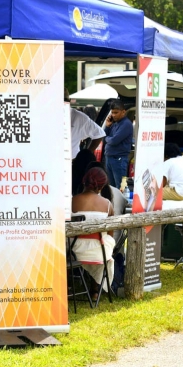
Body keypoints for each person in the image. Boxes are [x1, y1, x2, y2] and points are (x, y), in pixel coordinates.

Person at [71, 167, 116, 301]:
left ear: (84, 181)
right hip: (99, 252)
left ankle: (69, 286)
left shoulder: (72, 201)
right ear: (102, 185)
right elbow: (110, 233)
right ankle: (95, 290)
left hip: (73, 252)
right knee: (106, 241)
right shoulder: (107, 205)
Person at [102, 100, 134, 189]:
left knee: (120, 187)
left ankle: (120, 203)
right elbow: (103, 137)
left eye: (116, 112)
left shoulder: (126, 124)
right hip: (109, 158)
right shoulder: (114, 123)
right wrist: (107, 126)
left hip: (118, 159)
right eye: (112, 112)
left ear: (123, 112)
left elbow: (114, 141)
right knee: (111, 187)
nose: (114, 115)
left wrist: (107, 138)